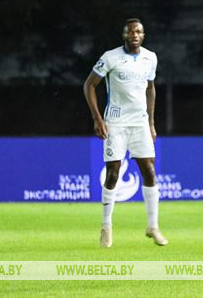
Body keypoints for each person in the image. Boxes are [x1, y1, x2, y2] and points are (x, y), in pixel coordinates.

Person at [83, 18, 168, 248]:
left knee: (149, 171)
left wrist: (151, 123)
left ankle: (153, 226)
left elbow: (150, 89)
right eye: (130, 32)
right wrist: (97, 118)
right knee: (113, 174)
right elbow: (89, 85)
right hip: (116, 124)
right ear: (124, 35)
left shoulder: (150, 58)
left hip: (140, 124)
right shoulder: (110, 57)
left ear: (143, 35)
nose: (134, 35)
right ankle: (106, 226)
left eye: (138, 32)